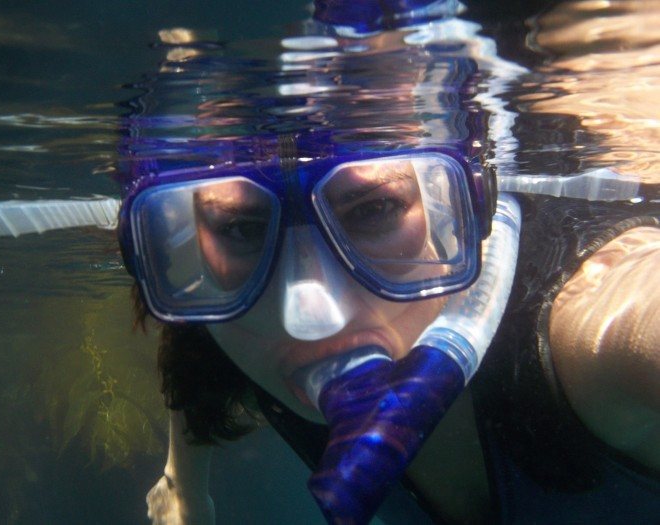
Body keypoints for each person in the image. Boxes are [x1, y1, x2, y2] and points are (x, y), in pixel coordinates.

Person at [117, 1, 660, 523]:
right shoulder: (229, 322)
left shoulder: (590, 329)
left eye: (375, 208)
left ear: (465, 203)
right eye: (240, 229)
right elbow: (193, 359)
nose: (310, 316)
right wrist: (182, 485)